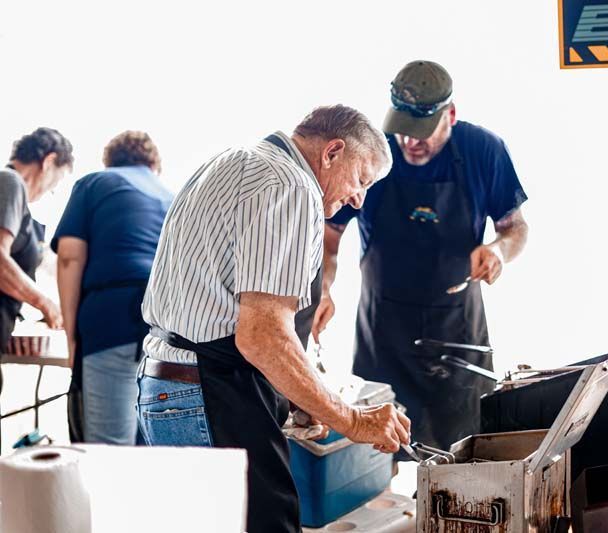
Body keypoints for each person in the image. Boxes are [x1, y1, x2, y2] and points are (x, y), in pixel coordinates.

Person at [136, 105, 410, 533]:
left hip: (166, 384)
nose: (359, 199)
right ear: (332, 152)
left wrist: (300, 396)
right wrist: (352, 420)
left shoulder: (231, 160)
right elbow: (262, 335)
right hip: (209, 391)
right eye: (362, 180)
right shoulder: (292, 184)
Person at [314, 60, 529, 451]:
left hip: (459, 335)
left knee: (465, 458)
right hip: (384, 335)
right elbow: (329, 241)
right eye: (403, 131)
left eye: (423, 132)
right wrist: (323, 289)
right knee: (378, 453)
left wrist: (498, 251)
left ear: (451, 115)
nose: (411, 143)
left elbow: (515, 229)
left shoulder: (484, 151)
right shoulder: (371, 155)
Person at [52, 131, 173, 444]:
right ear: (153, 164)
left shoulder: (95, 183)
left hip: (111, 321)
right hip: (168, 329)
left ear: (111, 159)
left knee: (110, 452)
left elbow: (68, 257)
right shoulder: (170, 196)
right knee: (150, 445)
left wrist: (71, 338)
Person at [0, 127, 73, 371]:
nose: (49, 191)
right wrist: (45, 304)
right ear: (49, 162)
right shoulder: (11, 182)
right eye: (57, 180)